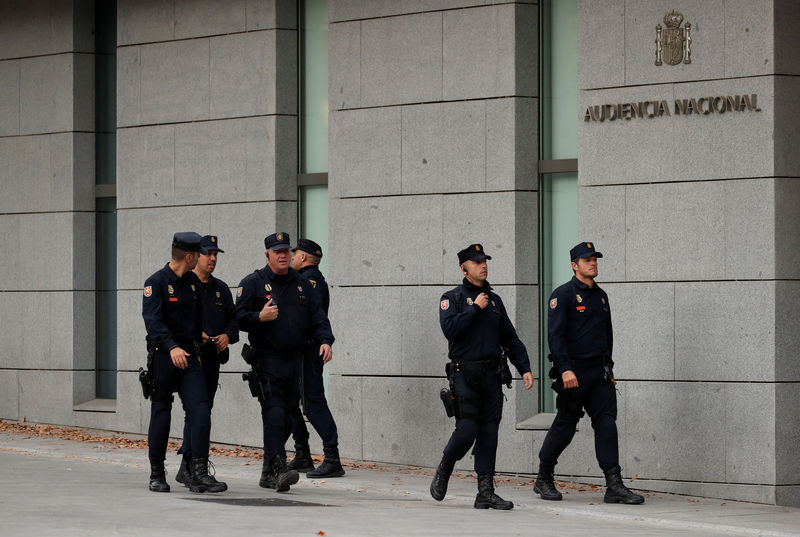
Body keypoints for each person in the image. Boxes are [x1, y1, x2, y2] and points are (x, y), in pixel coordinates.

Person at [533, 242, 643, 504]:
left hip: (599, 373)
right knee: (566, 425)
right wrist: (565, 369)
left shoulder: (601, 296)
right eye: (587, 260)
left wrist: (610, 368)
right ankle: (544, 477)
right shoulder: (563, 295)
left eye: (594, 259)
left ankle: (613, 484)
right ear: (574, 265)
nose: (593, 263)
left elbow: (608, 336)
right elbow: (555, 337)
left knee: (606, 423)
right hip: (574, 372)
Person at [431, 243, 534, 510]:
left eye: (484, 261)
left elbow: (510, 339)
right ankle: (445, 467)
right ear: (464, 268)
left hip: (492, 376)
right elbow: (450, 330)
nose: (483, 265)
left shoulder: (495, 301)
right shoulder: (452, 298)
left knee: (489, 432)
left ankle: (485, 491)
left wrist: (524, 368)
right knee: (466, 430)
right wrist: (474, 308)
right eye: (477, 262)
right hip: (465, 375)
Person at [235, 232, 334, 492]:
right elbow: (237, 318)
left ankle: (269, 471)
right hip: (268, 361)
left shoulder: (302, 284)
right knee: (275, 412)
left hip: (295, 363)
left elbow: (318, 317)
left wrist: (325, 340)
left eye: (286, 251)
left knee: (288, 414)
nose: (282, 256)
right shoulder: (254, 283)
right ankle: (278, 466)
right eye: (277, 252)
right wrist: (259, 317)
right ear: (267, 254)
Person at [141, 232, 226, 493]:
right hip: (165, 357)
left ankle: (198, 471)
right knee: (161, 412)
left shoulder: (192, 283)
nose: (202, 258)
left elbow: (197, 318)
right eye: (199, 254)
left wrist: (197, 343)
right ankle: (157, 472)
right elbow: (153, 323)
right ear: (189, 257)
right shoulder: (155, 283)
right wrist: (172, 347)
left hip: (190, 357)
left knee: (200, 410)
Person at [175, 235, 239, 488]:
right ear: (195, 256)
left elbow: (234, 320)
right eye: (208, 253)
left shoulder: (221, 288)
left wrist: (227, 336)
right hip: (191, 360)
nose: (212, 259)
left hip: (212, 360)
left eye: (216, 254)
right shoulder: (185, 285)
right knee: (197, 411)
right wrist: (194, 337)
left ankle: (187, 467)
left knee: (201, 412)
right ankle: (195, 467)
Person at [286, 238, 344, 478]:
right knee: (290, 402)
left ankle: (332, 458)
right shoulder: (305, 280)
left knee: (312, 404)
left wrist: (324, 341)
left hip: (308, 353)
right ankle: (302, 454)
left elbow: (314, 316)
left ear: (302, 257)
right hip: (298, 352)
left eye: (293, 254)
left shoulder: (310, 281)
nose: (289, 257)